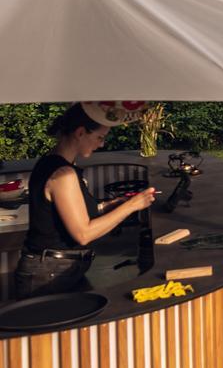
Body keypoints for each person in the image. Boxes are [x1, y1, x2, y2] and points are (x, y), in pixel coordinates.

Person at [16, 104, 158, 297]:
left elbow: (73, 213)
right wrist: (133, 205)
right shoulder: (63, 174)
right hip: (49, 276)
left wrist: (111, 205)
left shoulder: (52, 163)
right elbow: (83, 233)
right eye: (100, 137)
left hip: (57, 270)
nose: (102, 144)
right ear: (81, 132)